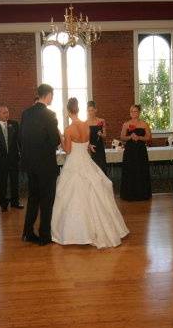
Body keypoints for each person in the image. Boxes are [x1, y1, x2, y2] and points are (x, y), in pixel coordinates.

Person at [52, 98, 129, 248]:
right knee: (94, 191)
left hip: (74, 162)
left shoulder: (69, 129)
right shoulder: (86, 126)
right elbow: (86, 145)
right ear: (78, 110)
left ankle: (76, 233)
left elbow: (67, 150)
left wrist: (61, 138)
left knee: (71, 194)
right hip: (86, 161)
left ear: (68, 112)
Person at [20, 84, 61, 245]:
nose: (52, 98)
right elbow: (55, 141)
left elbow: (20, 139)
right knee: (46, 200)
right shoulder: (50, 114)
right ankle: (44, 236)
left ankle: (27, 232)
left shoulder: (26, 113)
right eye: (52, 95)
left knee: (33, 199)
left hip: (30, 164)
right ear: (48, 95)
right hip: (46, 165)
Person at [0, 104, 23, 212]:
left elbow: (19, 141)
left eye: (7, 112)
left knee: (14, 182)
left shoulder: (14, 124)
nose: (6, 114)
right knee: (1, 182)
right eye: (4, 112)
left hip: (13, 159)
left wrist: (23, 154)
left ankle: (15, 202)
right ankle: (3, 203)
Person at [120, 104, 151, 201]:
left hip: (140, 150)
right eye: (132, 111)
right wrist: (130, 137)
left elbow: (149, 137)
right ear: (130, 113)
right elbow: (122, 137)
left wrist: (139, 137)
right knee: (130, 170)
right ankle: (129, 194)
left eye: (135, 111)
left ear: (139, 113)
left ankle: (142, 193)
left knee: (141, 170)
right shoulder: (126, 124)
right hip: (130, 151)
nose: (133, 113)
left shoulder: (144, 124)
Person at [85, 100, 107, 174]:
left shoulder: (102, 121)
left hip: (100, 147)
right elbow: (85, 139)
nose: (90, 112)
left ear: (95, 110)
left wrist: (101, 134)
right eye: (89, 110)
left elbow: (105, 136)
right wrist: (89, 146)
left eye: (92, 110)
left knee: (101, 168)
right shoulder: (85, 123)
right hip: (90, 148)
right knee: (92, 171)